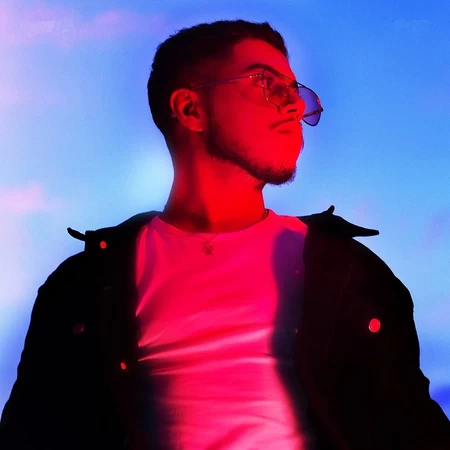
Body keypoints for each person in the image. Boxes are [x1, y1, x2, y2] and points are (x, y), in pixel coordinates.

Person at [0, 19, 449, 450]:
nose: (294, 106)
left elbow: (412, 428)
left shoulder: (354, 274)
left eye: (295, 91)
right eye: (266, 83)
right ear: (190, 109)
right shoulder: (82, 288)